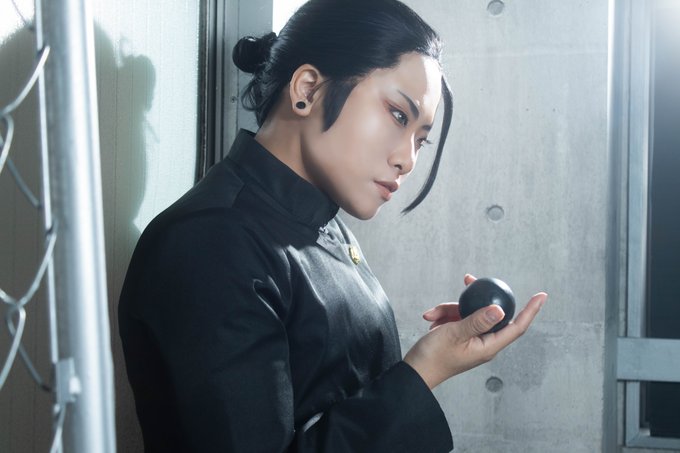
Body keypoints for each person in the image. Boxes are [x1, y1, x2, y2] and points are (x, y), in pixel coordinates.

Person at [118, 0, 548, 451]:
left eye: (421, 139)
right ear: (307, 88)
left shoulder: (323, 227)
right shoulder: (209, 244)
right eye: (398, 115)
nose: (407, 159)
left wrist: (438, 354)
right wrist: (424, 371)